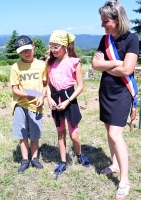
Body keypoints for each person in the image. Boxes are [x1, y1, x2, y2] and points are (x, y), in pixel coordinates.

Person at [92, 1, 139, 199]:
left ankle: (125, 181)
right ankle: (115, 165)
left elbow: (127, 70)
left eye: (106, 21)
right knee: (108, 131)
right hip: (106, 91)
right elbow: (95, 64)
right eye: (102, 21)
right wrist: (116, 63)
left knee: (115, 134)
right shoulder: (105, 39)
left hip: (122, 93)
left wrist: (106, 65)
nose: (103, 25)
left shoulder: (132, 39)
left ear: (118, 20)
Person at [46, 30, 91, 177]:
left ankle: (79, 154)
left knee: (74, 135)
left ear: (64, 46)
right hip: (55, 98)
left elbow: (80, 86)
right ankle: (63, 161)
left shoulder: (74, 62)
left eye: (56, 47)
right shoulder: (49, 63)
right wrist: (49, 98)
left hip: (69, 99)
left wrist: (67, 101)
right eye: (51, 46)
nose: (52, 50)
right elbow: (46, 84)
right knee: (60, 133)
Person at [10, 35, 47, 174]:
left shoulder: (42, 65)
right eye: (22, 51)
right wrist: (26, 95)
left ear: (33, 46)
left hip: (36, 105)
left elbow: (45, 84)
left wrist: (42, 96)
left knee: (35, 133)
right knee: (22, 133)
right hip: (20, 104)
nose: (26, 53)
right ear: (19, 52)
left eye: (28, 49)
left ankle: (35, 158)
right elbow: (14, 88)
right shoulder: (16, 67)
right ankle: (25, 160)